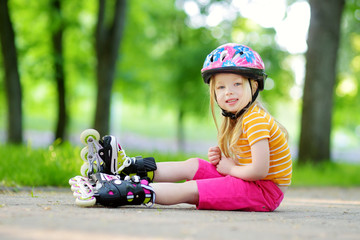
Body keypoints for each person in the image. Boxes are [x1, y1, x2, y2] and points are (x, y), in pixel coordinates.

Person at [71, 43, 292, 211]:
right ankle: (126, 169)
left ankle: (129, 191)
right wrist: (223, 159)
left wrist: (230, 169)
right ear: (213, 92)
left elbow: (260, 170)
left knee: (191, 189)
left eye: (237, 84)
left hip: (264, 192)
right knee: (193, 165)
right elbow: (247, 161)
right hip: (250, 180)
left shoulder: (255, 119)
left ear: (254, 86)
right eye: (221, 86)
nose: (228, 92)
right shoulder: (238, 118)